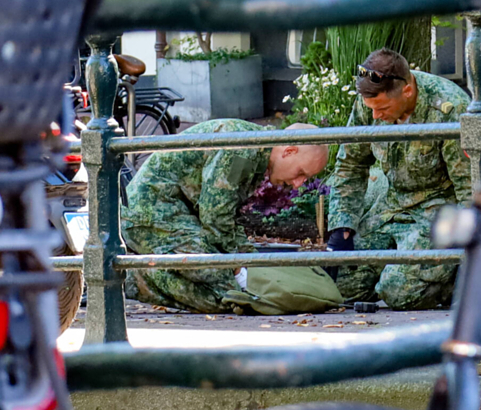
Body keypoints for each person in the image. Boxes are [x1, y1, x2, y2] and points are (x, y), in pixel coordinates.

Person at [121, 119, 329, 313]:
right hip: (149, 214)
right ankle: (133, 278)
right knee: (227, 290)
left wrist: (248, 259)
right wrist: (239, 267)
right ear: (288, 151)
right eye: (301, 173)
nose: (299, 183)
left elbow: (228, 216)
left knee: (234, 288)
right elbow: (216, 218)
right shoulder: (243, 151)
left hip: (177, 213)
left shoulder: (258, 151)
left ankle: (142, 271)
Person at [327, 48, 472, 310]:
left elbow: (469, 187)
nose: (375, 116)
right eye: (370, 108)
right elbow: (350, 164)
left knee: (398, 293)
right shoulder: (369, 101)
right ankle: (407, 266)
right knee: (342, 286)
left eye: (382, 108)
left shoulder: (451, 109)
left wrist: (469, 254)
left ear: (407, 92)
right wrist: (342, 226)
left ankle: (446, 279)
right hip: (392, 206)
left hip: (439, 210)